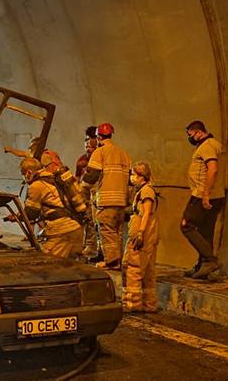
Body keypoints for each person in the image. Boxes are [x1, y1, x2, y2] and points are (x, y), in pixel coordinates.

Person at [9, 157, 84, 259]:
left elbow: (31, 214)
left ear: (28, 172)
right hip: (76, 229)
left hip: (60, 233)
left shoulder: (36, 186)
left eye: (23, 174)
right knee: (72, 269)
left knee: (47, 266)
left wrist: (17, 216)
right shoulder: (54, 179)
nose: (24, 178)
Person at [82, 123, 132, 270]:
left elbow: (92, 175)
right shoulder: (124, 153)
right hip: (122, 200)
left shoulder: (100, 152)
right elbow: (130, 178)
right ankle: (119, 261)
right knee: (118, 232)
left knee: (107, 231)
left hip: (106, 199)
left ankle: (111, 262)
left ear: (98, 137)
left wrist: (82, 188)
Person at [182, 121, 226, 279]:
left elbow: (212, 169)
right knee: (205, 231)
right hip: (216, 195)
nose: (190, 138)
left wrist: (206, 193)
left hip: (202, 194)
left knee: (187, 226)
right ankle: (205, 267)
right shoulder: (214, 144)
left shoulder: (207, 146)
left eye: (191, 135)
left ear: (198, 132)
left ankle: (210, 261)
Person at [122, 162, 159, 313]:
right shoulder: (144, 191)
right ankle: (149, 304)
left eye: (133, 174)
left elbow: (146, 213)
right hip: (149, 235)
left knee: (133, 268)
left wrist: (140, 233)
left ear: (141, 176)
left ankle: (132, 304)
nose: (131, 177)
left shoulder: (146, 192)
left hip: (143, 235)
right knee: (148, 271)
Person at [76, 126, 100, 258]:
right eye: (86, 141)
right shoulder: (82, 161)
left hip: (98, 195)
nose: (87, 144)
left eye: (90, 141)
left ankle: (98, 249)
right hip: (85, 195)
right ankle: (89, 245)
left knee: (97, 222)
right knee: (87, 220)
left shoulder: (101, 158)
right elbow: (77, 179)